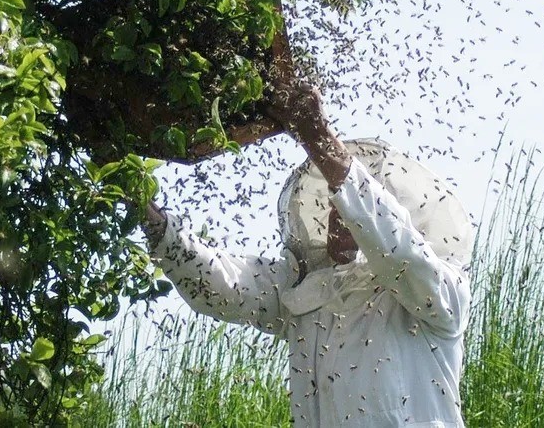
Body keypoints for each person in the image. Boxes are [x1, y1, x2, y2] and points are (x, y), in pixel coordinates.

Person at [143, 79, 474, 427]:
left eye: (349, 208)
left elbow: (396, 246)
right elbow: (224, 285)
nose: (338, 216)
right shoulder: (306, 291)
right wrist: (151, 218)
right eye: (333, 208)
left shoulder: (441, 295)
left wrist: (319, 140)